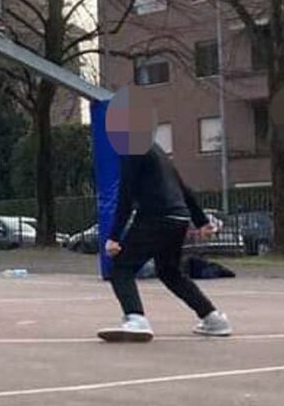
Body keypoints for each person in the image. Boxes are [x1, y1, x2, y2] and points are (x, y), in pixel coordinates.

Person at [98, 141, 232, 342]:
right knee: (170, 272)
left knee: (121, 268)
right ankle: (213, 319)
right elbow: (184, 188)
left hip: (155, 216)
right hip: (178, 218)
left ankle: (136, 319)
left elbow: (125, 194)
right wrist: (201, 221)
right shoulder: (157, 150)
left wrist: (114, 237)